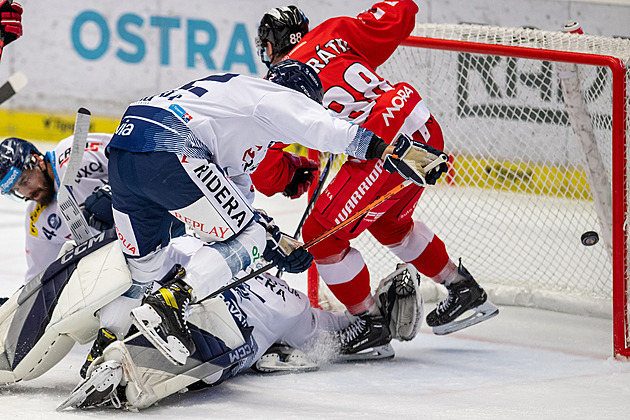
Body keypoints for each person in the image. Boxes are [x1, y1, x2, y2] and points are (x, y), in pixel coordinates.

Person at [102, 59, 447, 368]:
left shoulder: (237, 116)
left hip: (124, 148)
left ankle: (103, 351)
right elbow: (323, 127)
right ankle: (172, 302)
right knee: (245, 235)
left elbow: (233, 205)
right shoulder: (270, 95)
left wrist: (276, 244)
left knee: (142, 272)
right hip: (172, 144)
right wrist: (387, 149)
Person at [253, 1, 498, 339]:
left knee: (318, 235)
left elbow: (263, 172)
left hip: (382, 148)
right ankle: (461, 288)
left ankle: (370, 324)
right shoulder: (334, 32)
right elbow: (400, 14)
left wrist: (290, 175)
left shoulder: (279, 84)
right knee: (390, 225)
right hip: (420, 124)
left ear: (269, 46)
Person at [58, 234, 421, 411]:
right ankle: (125, 364)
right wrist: (378, 319)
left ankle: (116, 354)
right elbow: (332, 335)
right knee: (210, 351)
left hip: (199, 331)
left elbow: (143, 259)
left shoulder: (198, 248)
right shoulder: (292, 304)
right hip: (226, 352)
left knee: (184, 325)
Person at [0, 134, 115, 283]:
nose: (26, 192)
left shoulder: (73, 152)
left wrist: (115, 192)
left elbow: (137, 156)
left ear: (37, 160)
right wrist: (18, 304)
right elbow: (39, 278)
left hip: (150, 228)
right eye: (16, 190)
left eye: (24, 180)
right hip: (126, 265)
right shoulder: (37, 220)